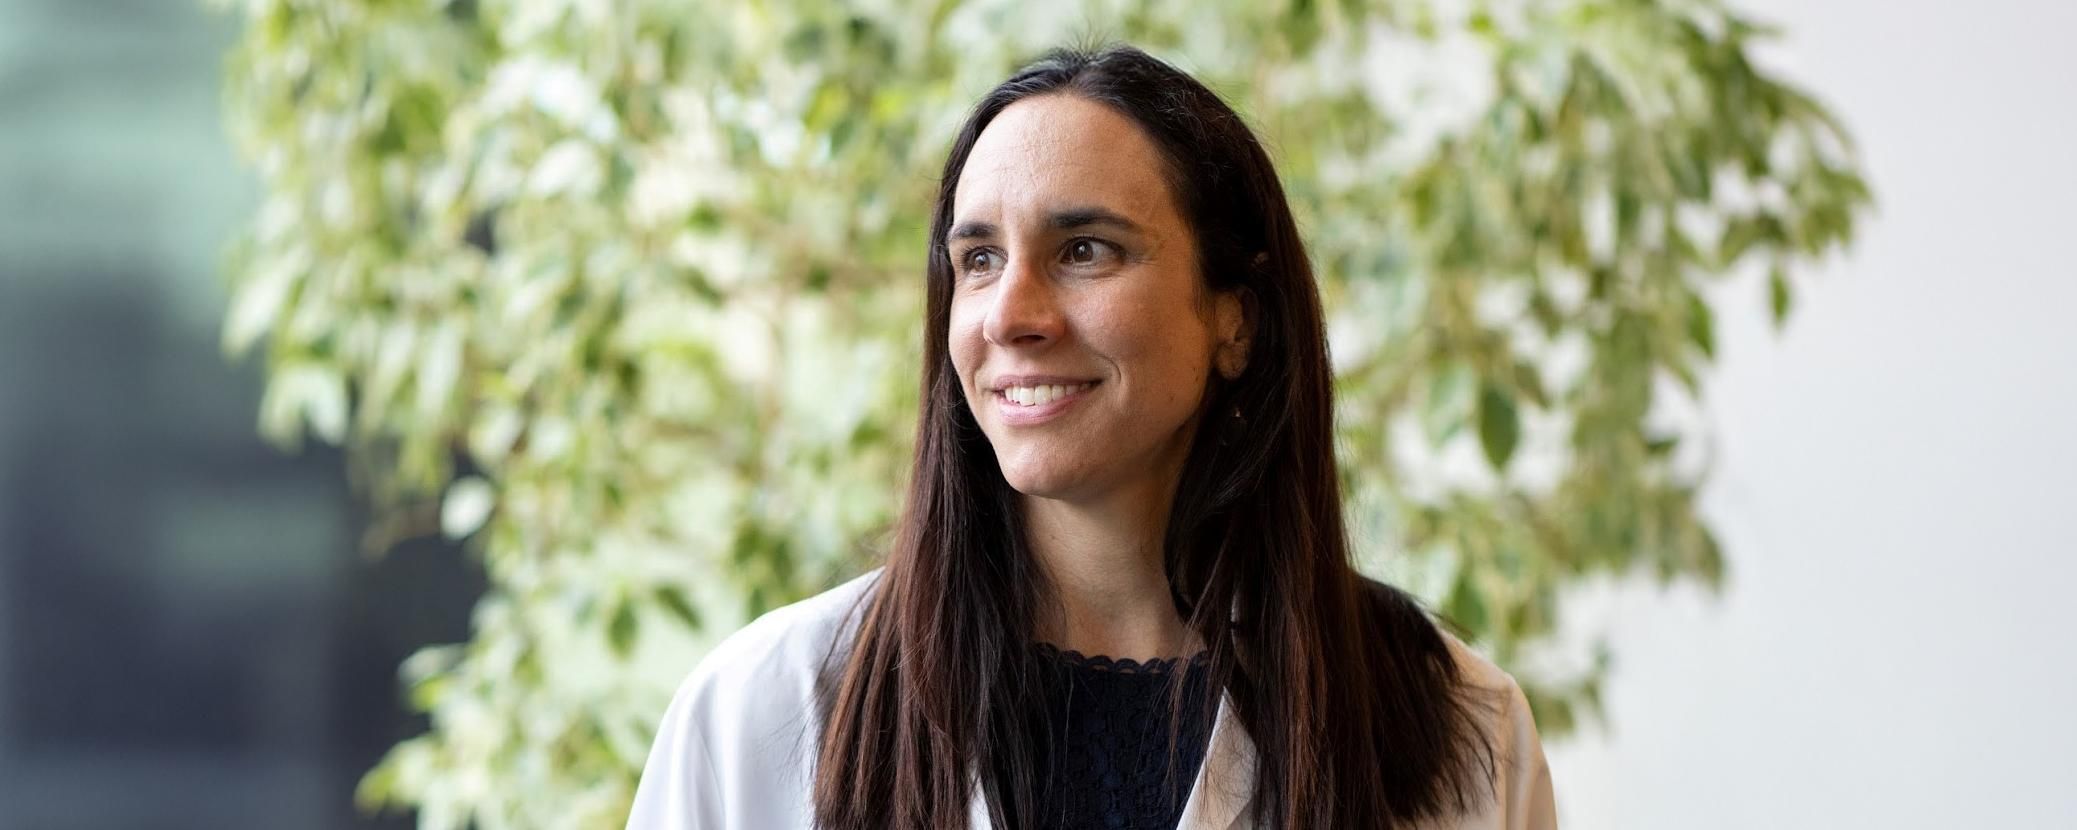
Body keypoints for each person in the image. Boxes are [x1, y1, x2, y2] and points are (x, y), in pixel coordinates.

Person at [627, 45, 1557, 830]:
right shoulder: (762, 708)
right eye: (979, 259)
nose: (1010, 315)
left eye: (1085, 250)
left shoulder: (1455, 725)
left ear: (1235, 320)